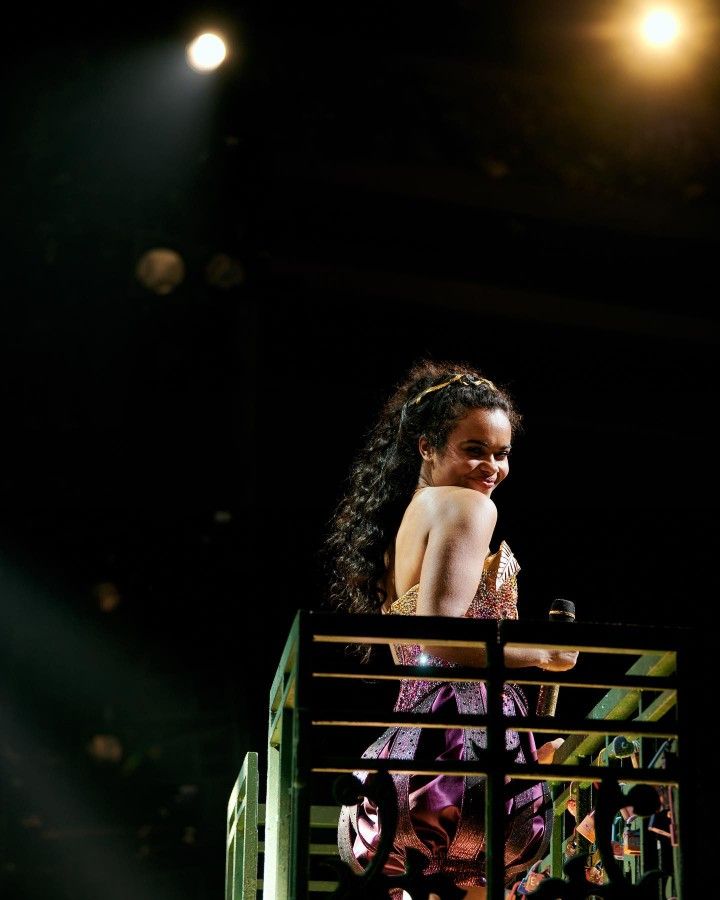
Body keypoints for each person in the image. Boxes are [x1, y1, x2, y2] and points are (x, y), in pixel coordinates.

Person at [323, 359, 579, 900]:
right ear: (426, 447)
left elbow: (414, 651)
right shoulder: (466, 508)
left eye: (502, 453)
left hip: (415, 751)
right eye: (474, 449)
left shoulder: (409, 522)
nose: (492, 468)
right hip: (460, 753)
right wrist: (544, 656)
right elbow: (441, 640)